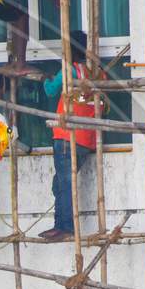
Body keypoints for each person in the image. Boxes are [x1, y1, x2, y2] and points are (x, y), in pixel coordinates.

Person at [39, 32, 102, 242]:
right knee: (60, 183)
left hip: (67, 137)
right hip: (87, 139)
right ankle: (61, 224)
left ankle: (65, 227)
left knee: (65, 184)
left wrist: (44, 79)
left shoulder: (68, 70)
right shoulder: (96, 73)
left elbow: (50, 91)